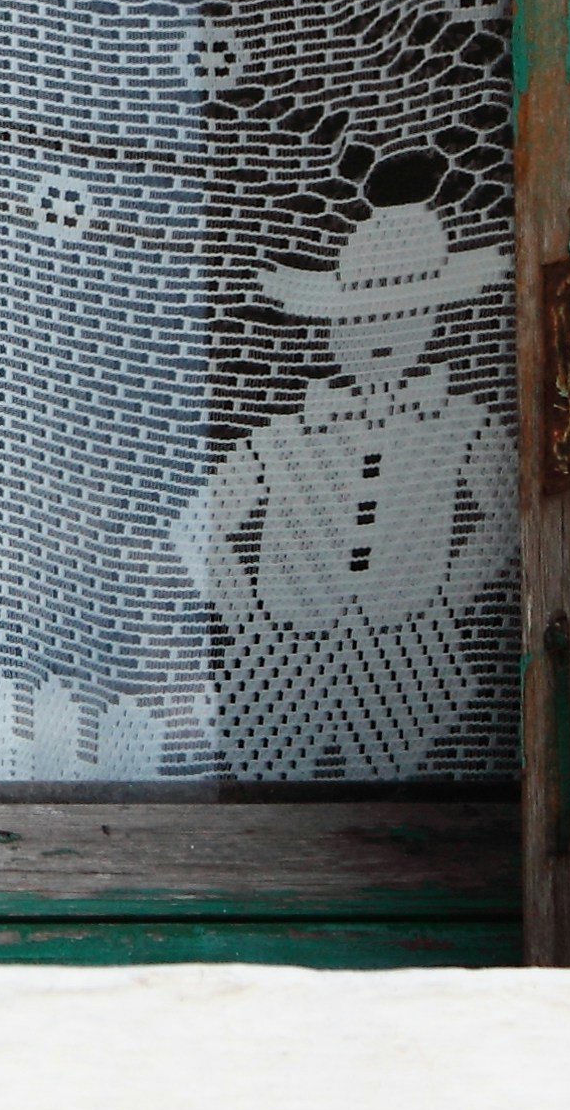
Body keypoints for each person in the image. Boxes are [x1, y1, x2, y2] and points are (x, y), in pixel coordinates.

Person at [165, 197, 519, 781]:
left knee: (406, 808)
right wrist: (248, 618)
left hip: (406, 655)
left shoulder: (457, 423)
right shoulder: (284, 436)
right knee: (269, 803)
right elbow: (198, 526)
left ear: (432, 320)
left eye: (404, 315)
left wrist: (450, 597)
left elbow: (510, 512)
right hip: (282, 659)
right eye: (358, 317)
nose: (379, 332)